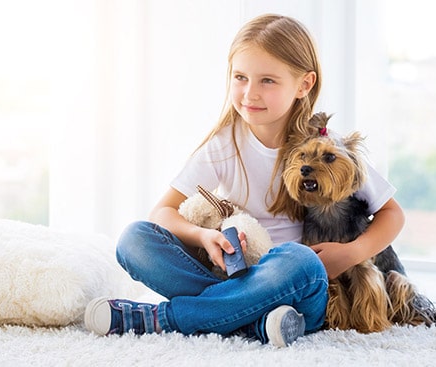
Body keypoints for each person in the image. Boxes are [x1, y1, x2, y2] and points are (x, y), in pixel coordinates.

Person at [84, 14, 404, 347]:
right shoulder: (225, 144)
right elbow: (163, 212)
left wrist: (351, 254)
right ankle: (256, 322)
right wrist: (203, 235)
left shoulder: (324, 148)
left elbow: (393, 214)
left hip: (298, 284)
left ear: (304, 85)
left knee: (301, 259)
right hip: (234, 274)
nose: (250, 93)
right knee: (134, 238)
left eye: (268, 80)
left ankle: (166, 319)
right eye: (240, 77)